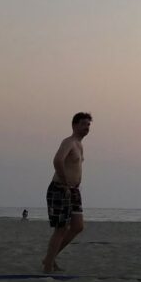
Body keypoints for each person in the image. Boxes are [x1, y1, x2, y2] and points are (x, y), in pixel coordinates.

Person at [42, 112, 92, 273]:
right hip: (60, 188)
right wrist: (64, 182)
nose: (87, 127)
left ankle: (50, 257)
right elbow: (57, 160)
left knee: (78, 226)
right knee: (61, 228)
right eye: (84, 124)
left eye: (88, 125)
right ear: (74, 125)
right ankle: (48, 266)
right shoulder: (68, 142)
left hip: (74, 190)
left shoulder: (79, 144)